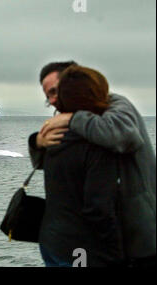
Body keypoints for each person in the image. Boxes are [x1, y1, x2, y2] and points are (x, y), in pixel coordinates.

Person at [34, 65, 156, 267]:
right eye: (49, 96)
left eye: (57, 91)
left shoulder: (114, 107)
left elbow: (124, 136)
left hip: (133, 233)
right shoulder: (68, 128)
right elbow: (97, 207)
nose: (55, 100)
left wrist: (73, 118)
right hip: (78, 246)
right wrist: (36, 142)